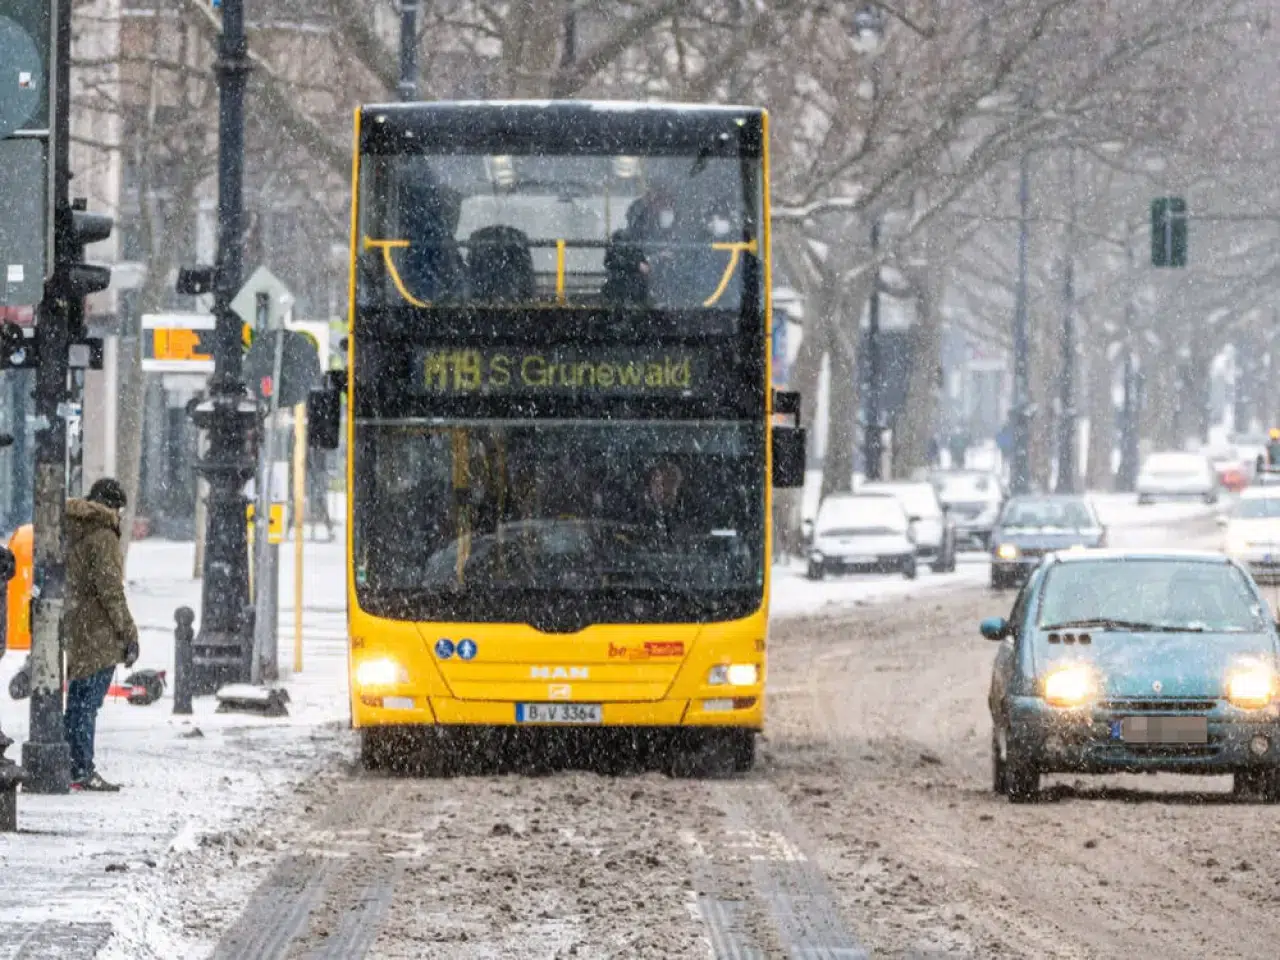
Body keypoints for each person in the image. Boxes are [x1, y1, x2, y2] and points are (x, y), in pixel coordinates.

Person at [63, 477, 139, 792]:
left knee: (77, 701)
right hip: (97, 629)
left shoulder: (72, 527)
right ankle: (81, 768)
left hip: (76, 624)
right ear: (112, 507)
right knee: (88, 704)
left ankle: (71, 764)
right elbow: (110, 591)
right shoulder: (103, 535)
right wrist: (128, 632)